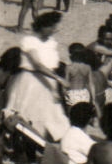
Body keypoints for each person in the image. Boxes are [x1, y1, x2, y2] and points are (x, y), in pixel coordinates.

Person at [11, 11, 71, 140]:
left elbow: (52, 66)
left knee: (54, 117)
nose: (54, 30)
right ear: (43, 26)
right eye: (52, 27)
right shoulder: (29, 41)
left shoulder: (51, 42)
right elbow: (37, 65)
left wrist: (55, 86)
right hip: (32, 82)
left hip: (49, 82)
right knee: (30, 117)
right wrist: (58, 79)